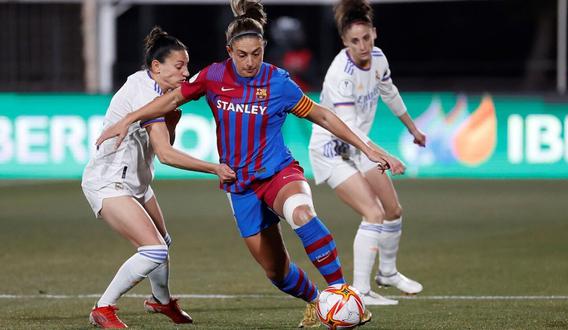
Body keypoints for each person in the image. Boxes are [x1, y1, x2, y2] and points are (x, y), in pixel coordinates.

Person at [96, 1, 404, 327]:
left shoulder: (278, 82)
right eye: (242, 55)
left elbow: (323, 114)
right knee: (276, 270)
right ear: (229, 51)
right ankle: (318, 302)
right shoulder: (213, 77)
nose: (250, 62)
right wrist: (127, 118)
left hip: (279, 172)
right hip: (240, 186)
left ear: (263, 48)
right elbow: (170, 99)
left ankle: (343, 292)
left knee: (301, 213)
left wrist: (367, 148)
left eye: (256, 53)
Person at [81, 27, 236, 328]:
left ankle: (161, 302)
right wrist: (215, 168)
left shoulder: (161, 94)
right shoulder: (144, 91)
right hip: (108, 181)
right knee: (153, 249)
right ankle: (104, 307)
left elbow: (162, 144)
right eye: (179, 66)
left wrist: (172, 120)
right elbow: (166, 155)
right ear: (156, 66)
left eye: (187, 66)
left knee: (162, 241)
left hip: (136, 181)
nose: (186, 72)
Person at [308, 0, 426, 306]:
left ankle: (387, 273)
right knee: (373, 212)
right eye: (354, 41)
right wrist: (384, 154)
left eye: (366, 38)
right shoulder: (341, 74)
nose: (362, 46)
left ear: (374, 33)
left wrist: (412, 128)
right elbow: (346, 126)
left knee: (393, 210)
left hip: (362, 147)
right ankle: (360, 291)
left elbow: (390, 92)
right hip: (332, 148)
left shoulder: (378, 58)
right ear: (345, 43)